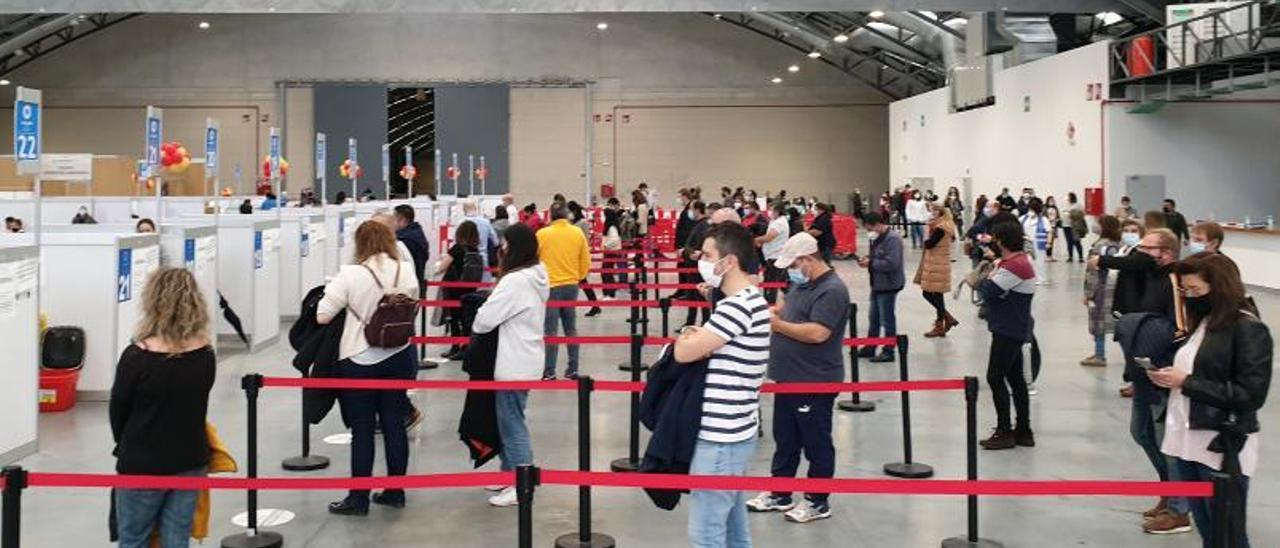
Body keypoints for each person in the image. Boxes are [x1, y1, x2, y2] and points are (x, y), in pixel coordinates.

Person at [1151, 253, 1270, 548]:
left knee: (1227, 534)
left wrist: (1187, 383)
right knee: (1208, 531)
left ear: (1219, 288)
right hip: (1187, 441)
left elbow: (1251, 394)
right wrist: (1171, 378)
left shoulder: (1247, 328)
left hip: (1220, 446)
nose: (1189, 297)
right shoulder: (1203, 323)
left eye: (1196, 291)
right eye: (1185, 291)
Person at [673, 222, 769, 548]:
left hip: (720, 437)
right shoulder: (751, 299)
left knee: (706, 535)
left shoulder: (736, 306)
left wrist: (688, 338)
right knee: (733, 529)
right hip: (736, 429)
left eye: (709, 254)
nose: (702, 259)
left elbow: (685, 352)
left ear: (728, 262)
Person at [1091, 228, 1191, 534]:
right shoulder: (1147, 277)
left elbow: (1180, 328)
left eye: (1146, 248)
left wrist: (1159, 360)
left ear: (1166, 253)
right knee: (1142, 433)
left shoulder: (1174, 281)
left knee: (1166, 439)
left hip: (1163, 370)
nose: (1139, 252)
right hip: (1143, 370)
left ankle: (1180, 509)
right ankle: (1170, 490)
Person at [746, 233, 848, 524]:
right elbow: (795, 312)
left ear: (808, 259)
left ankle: (818, 501)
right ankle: (780, 492)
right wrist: (776, 311)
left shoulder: (832, 290)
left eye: (793, 264)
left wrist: (777, 325)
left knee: (816, 441)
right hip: (789, 377)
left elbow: (818, 332)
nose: (790, 270)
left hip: (814, 378)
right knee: (786, 438)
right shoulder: (803, 285)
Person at [319, 221, 419, 515]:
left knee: (362, 431)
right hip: (400, 355)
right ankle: (395, 491)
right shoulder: (406, 269)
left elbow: (323, 316)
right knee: (394, 426)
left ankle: (359, 498)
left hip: (359, 358)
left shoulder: (351, 273)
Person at [110, 268, 215, 548]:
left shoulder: (136, 357)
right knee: (176, 538)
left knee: (134, 539)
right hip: (190, 459)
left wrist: (128, 442)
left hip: (143, 461)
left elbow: (118, 412)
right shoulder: (205, 353)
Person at [473, 223, 550, 507]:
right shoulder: (537, 275)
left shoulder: (514, 281)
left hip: (513, 361)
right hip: (526, 357)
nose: (501, 248)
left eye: (505, 243)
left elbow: (483, 320)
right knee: (508, 420)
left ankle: (521, 484)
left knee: (512, 424)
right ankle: (509, 474)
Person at [977, 220, 1037, 450]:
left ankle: (1005, 430)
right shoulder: (1016, 262)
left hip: (1008, 329)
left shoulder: (1014, 266)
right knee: (1015, 379)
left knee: (995, 377)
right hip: (1014, 326)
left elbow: (988, 292)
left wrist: (990, 276)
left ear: (1001, 240)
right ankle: (1023, 430)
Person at [538, 204, 591, 380]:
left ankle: (549, 371)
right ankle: (573, 368)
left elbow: (534, 259)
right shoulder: (577, 233)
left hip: (550, 286)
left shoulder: (542, 234)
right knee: (571, 328)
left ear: (550, 216)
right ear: (567, 215)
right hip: (571, 285)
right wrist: (578, 276)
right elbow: (585, 259)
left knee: (550, 331)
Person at [857, 213, 903, 363]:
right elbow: (877, 256)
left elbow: (892, 263)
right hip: (877, 283)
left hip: (888, 285)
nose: (870, 231)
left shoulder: (893, 239)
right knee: (874, 318)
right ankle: (871, 346)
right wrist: (868, 259)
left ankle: (889, 351)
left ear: (878, 224)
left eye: (871, 228)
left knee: (887, 319)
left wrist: (871, 263)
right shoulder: (877, 238)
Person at [435, 221, 482, 360]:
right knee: (466, 318)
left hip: (454, 288)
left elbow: (442, 267)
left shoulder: (457, 249)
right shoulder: (475, 250)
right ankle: (465, 347)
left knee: (454, 319)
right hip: (470, 288)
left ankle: (455, 347)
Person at [1080, 215, 1123, 367]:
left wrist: (1088, 293)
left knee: (1098, 322)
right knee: (1120, 322)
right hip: (1118, 288)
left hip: (1101, 288)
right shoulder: (1121, 244)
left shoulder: (1100, 245)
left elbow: (1092, 271)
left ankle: (1100, 355)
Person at [917, 202, 958, 338]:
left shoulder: (941, 227)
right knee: (936, 295)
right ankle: (945, 321)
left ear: (940, 212)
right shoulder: (945, 224)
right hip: (939, 263)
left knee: (929, 294)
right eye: (931, 210)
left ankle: (944, 321)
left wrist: (925, 233)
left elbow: (930, 244)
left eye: (934, 210)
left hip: (937, 264)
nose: (932, 212)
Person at [568, 202, 602, 318]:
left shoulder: (582, 223)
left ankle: (594, 306)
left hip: (579, 256)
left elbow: (584, 240)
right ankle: (595, 306)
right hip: (572, 255)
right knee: (581, 282)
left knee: (582, 281)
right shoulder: (573, 223)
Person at [757, 201, 791, 303]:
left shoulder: (779, 222)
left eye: (771, 210)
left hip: (775, 256)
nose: (769, 212)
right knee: (780, 280)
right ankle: (791, 298)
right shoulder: (775, 221)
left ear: (778, 211)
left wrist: (756, 240)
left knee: (771, 282)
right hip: (773, 254)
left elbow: (769, 237)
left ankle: (770, 303)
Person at [463, 199, 500, 278]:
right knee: (483, 286)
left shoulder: (460, 223)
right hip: (483, 259)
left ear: (464, 209)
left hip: (465, 260)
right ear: (476, 208)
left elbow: (455, 243)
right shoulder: (485, 222)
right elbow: (496, 242)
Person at [392, 205, 429, 285]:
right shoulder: (416, 233)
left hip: (409, 284)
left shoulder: (404, 241)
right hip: (418, 281)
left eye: (393, 218)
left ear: (402, 219)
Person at [1019, 198, 1049, 285]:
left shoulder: (1043, 219)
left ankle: (1041, 278)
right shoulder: (1023, 218)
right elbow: (1017, 229)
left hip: (1039, 243)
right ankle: (1028, 278)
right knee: (1028, 261)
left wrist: (1048, 243)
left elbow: (1049, 231)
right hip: (1026, 243)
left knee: (1039, 261)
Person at [1065, 192, 1087, 262]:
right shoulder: (1067, 205)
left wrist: (1071, 214)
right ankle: (1070, 256)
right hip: (1066, 225)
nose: (1067, 198)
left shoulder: (1078, 205)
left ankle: (1080, 257)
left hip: (1075, 226)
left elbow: (1082, 215)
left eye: (1068, 197)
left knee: (1077, 241)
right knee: (1069, 242)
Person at [1043, 196, 1061, 262]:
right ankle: (1046, 255)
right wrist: (1048, 220)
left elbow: (1058, 216)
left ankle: (1050, 256)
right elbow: (1043, 216)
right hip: (1047, 226)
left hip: (1054, 226)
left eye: (1053, 200)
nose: (1052, 202)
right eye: (1050, 200)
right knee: (1047, 241)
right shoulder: (1045, 208)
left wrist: (1057, 220)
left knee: (1052, 242)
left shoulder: (1055, 208)